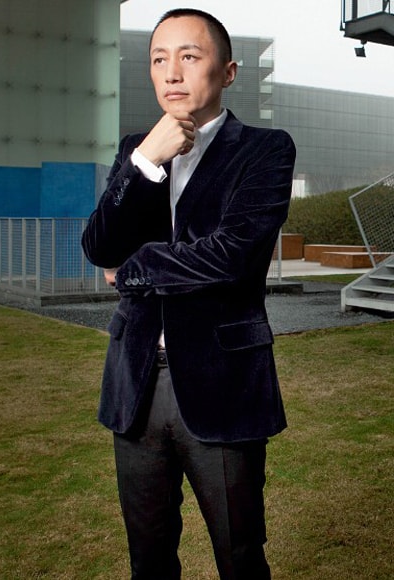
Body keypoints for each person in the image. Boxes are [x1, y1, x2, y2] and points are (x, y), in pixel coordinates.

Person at [82, 8, 296, 579]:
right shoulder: (137, 148)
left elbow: (231, 257)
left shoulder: (266, 150)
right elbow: (99, 247)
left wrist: (135, 268)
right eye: (159, 59)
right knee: (148, 559)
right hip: (135, 386)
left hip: (222, 382)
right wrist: (146, 162)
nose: (171, 72)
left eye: (189, 56)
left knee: (240, 556)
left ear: (227, 71)